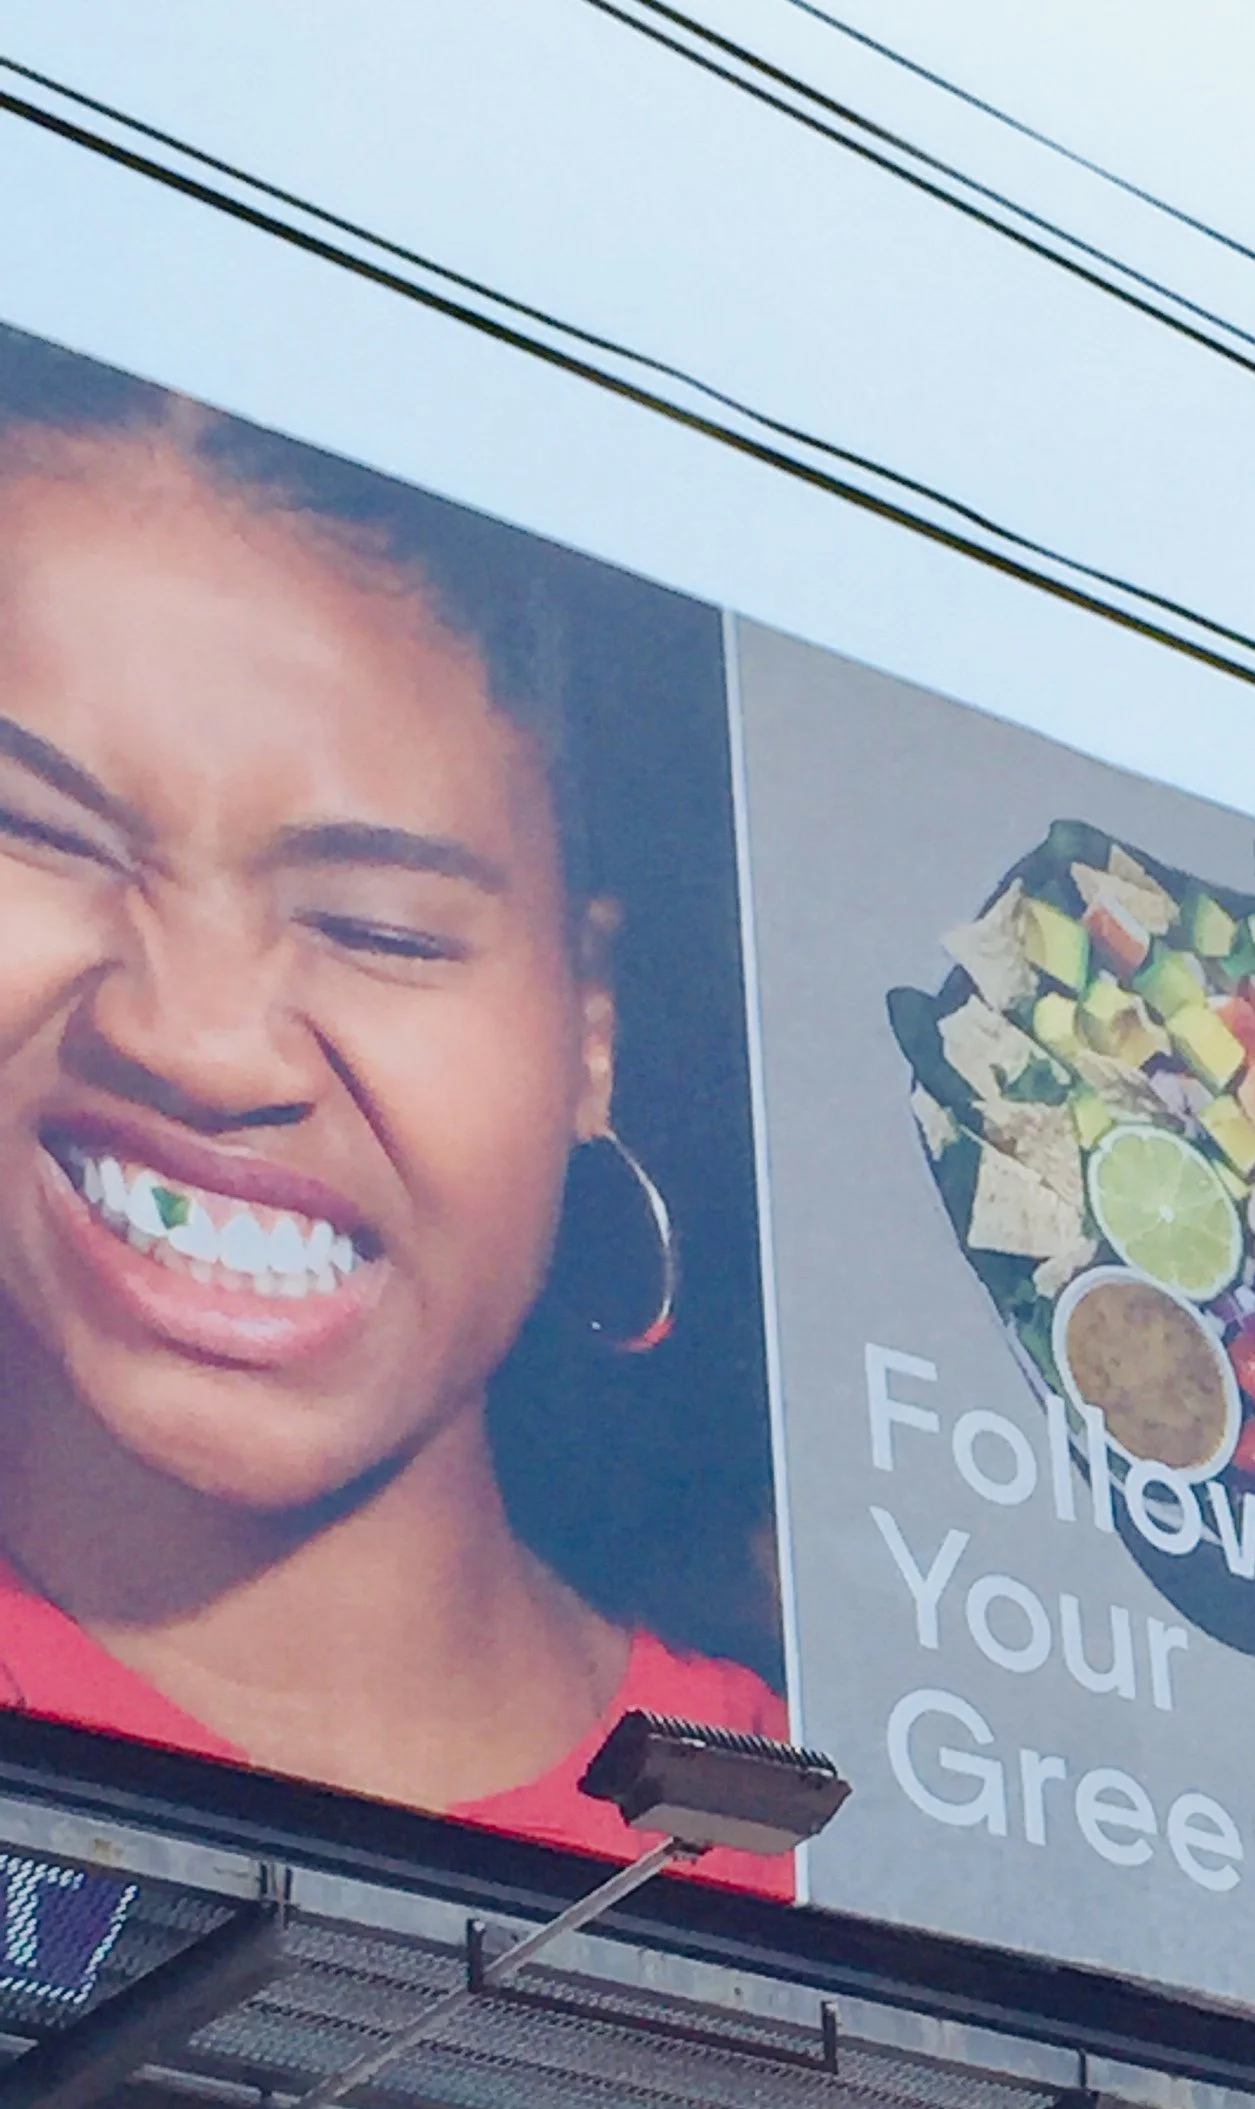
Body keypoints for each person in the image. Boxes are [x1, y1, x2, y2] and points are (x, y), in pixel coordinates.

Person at [0, 331, 793, 1898]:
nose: (200, 1040)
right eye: (41, 832)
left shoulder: (807, 1843)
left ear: (589, 1025)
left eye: (380, 926)